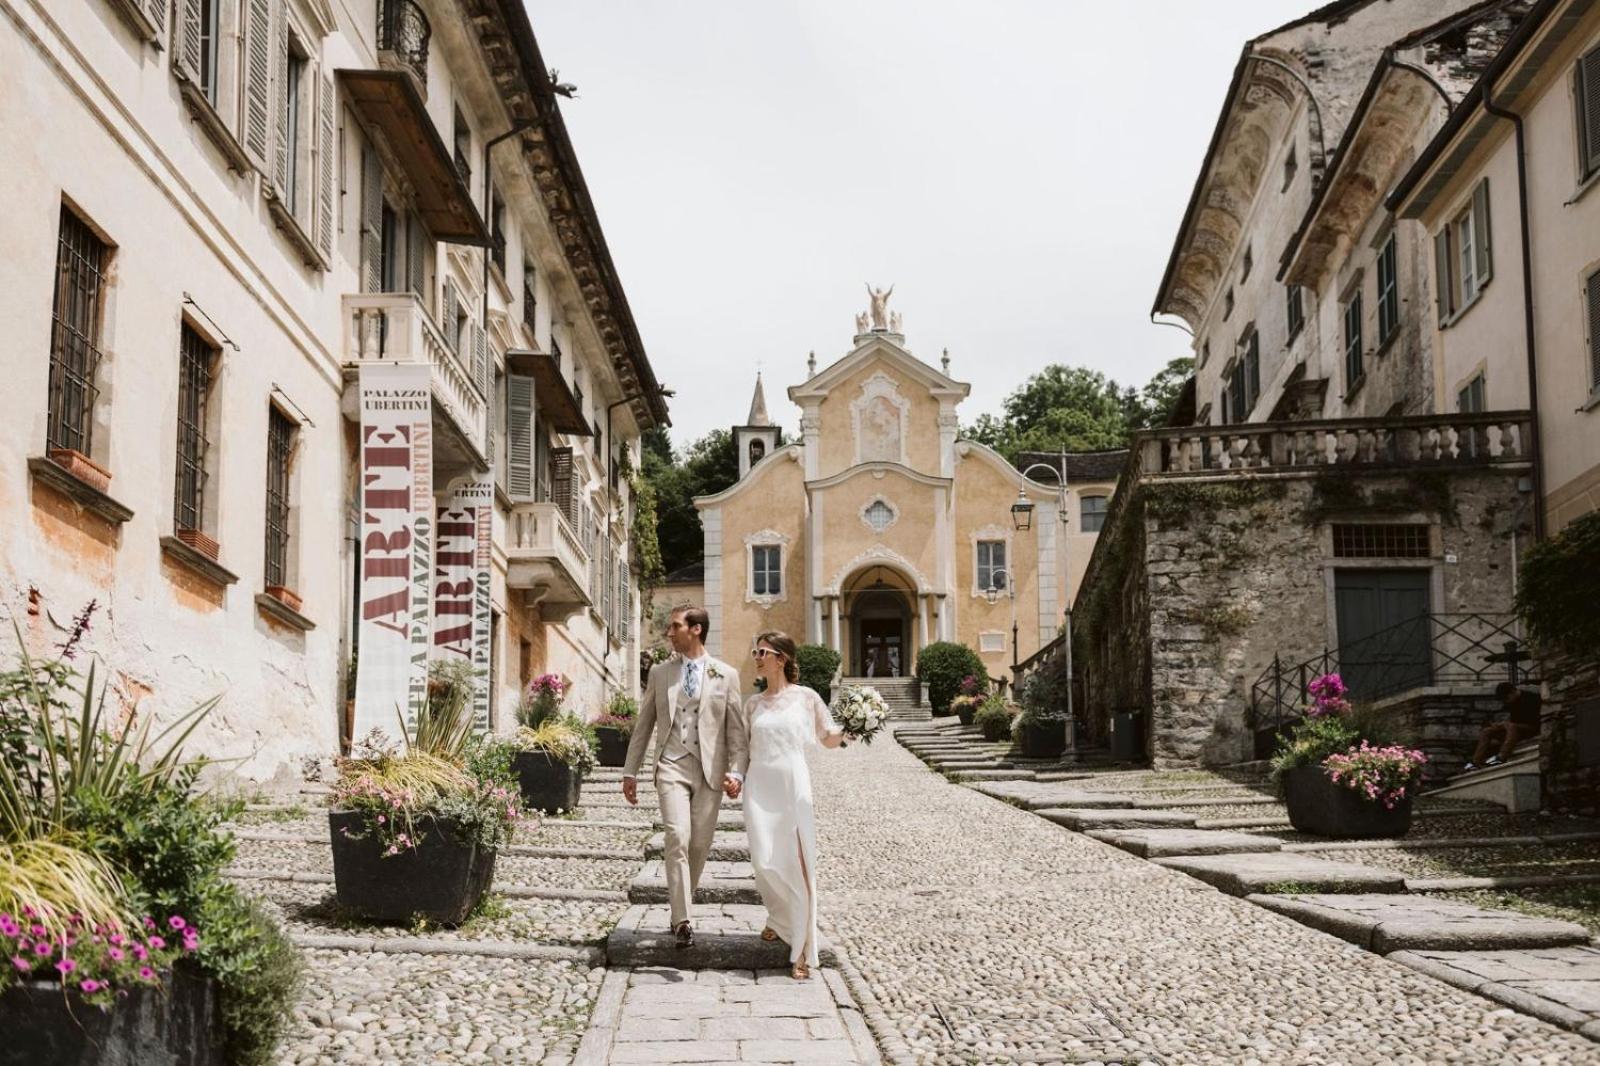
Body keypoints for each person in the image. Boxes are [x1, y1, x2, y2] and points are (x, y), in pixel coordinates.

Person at [621, 606, 748, 949]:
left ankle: (681, 906)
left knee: (699, 845)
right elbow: (644, 724)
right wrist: (630, 770)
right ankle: (683, 921)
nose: (669, 633)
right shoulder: (661, 673)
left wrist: (737, 772)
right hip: (671, 765)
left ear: (696, 629)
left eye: (675, 626)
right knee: (676, 836)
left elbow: (736, 731)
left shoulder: (727, 675)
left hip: (710, 770)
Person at [743, 630, 845, 980]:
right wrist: (733, 776)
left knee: (797, 862)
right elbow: (742, 748)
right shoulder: (752, 704)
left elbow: (828, 738)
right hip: (759, 785)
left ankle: (800, 948)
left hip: (793, 784)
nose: (756, 656)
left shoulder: (806, 697)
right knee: (764, 861)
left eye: (762, 651)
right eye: (755, 651)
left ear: (781, 658)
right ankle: (779, 919)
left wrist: (853, 727)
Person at [1464, 681, 1543, 771]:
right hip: (1515, 729)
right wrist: (1499, 725)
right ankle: (1475, 761)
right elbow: (1513, 719)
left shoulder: (1531, 698)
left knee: (1511, 726)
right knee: (1487, 731)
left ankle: (1502, 756)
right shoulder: (1512, 702)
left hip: (1532, 728)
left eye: (1506, 698)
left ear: (1513, 692)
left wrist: (1507, 724)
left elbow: (1533, 720)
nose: (1506, 701)